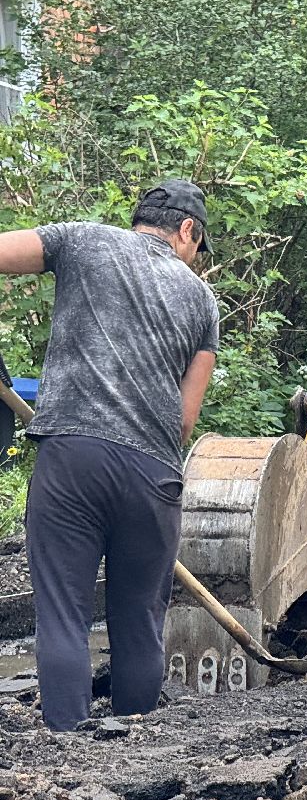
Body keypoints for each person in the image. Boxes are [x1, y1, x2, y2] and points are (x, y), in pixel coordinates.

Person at [0, 180, 220, 731]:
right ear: (187, 230)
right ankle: (133, 748)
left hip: (72, 461)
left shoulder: (82, 240)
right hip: (153, 476)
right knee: (140, 623)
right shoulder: (202, 301)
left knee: (64, 616)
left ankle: (67, 746)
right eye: (199, 246)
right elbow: (184, 422)